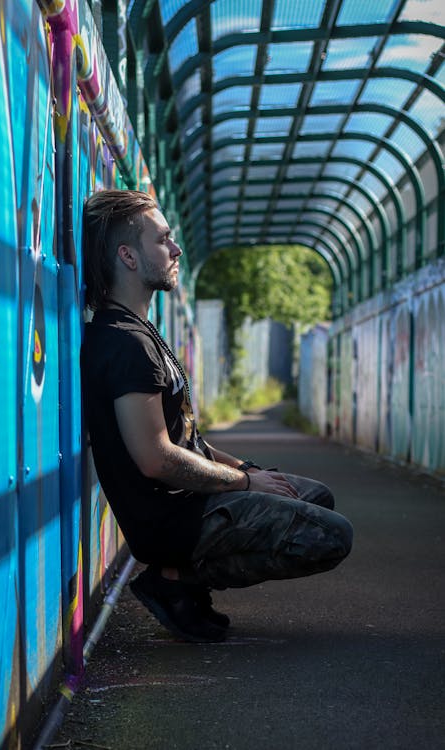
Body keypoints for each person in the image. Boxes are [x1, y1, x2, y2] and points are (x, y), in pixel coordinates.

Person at [80, 189, 353, 643]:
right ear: (127, 256)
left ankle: (180, 581)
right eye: (162, 239)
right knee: (331, 535)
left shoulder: (141, 334)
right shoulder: (124, 345)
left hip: (192, 501)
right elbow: (157, 459)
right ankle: (175, 580)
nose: (176, 249)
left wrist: (244, 469)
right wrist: (247, 484)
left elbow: (188, 439)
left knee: (314, 497)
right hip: (168, 520)